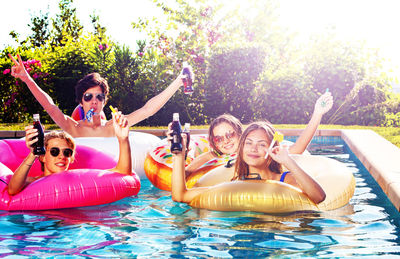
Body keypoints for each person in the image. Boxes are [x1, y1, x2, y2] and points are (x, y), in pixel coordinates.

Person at [8, 54, 192, 138]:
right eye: (88, 97)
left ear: (104, 101)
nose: (94, 101)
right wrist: (26, 78)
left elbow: (148, 110)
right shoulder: (73, 128)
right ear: (81, 101)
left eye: (99, 97)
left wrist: (178, 81)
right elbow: (49, 106)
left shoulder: (114, 126)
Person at [171, 121, 326, 205]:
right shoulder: (234, 184)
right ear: (242, 147)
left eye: (262, 144)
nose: (254, 148)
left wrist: (287, 160)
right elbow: (180, 196)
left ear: (271, 149)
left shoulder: (285, 179)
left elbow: (318, 197)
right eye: (249, 143)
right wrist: (179, 154)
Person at [183, 91, 333, 175]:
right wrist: (182, 154)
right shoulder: (212, 156)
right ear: (213, 142)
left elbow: (298, 149)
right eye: (219, 138)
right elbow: (186, 173)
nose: (226, 141)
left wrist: (317, 113)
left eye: (230, 135)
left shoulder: (259, 152)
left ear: (240, 134)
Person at [7, 110, 131, 195]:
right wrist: (33, 153)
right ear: (43, 157)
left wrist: (123, 139)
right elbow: (12, 190)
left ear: (71, 158)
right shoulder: (33, 182)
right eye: (54, 151)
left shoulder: (78, 179)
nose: (61, 156)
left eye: (67, 152)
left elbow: (122, 173)